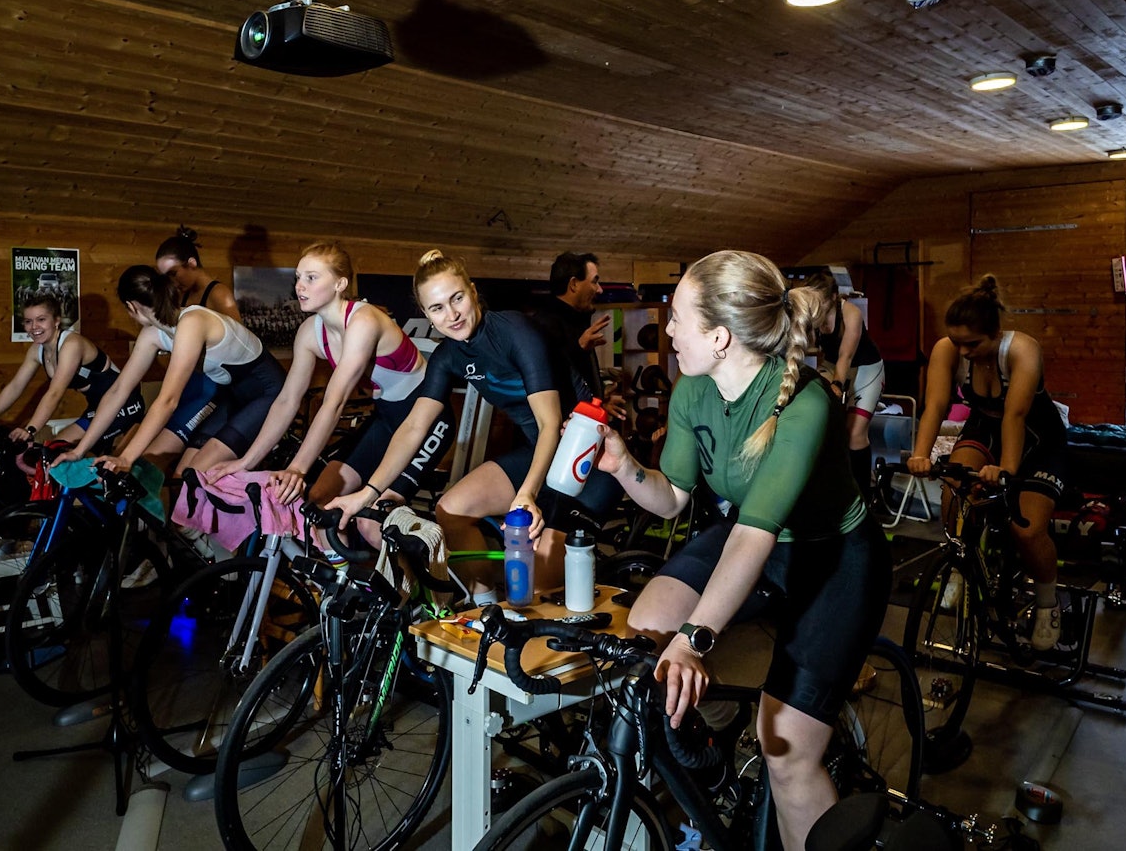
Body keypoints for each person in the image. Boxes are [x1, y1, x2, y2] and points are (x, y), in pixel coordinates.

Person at [598, 250, 891, 851]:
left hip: (833, 559)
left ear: (720, 337)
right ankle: (711, 740)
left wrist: (695, 638)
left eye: (677, 318)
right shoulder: (692, 389)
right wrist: (625, 466)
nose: (668, 330)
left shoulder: (807, 402)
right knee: (648, 626)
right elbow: (672, 498)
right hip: (752, 540)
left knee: (785, 750)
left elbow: (755, 533)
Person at [329, 249, 621, 599]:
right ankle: (484, 606)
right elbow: (414, 427)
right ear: (426, 314)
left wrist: (526, 494)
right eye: (437, 308)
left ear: (472, 290)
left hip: (585, 464)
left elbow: (549, 423)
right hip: (538, 455)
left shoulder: (515, 332)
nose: (452, 315)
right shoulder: (448, 356)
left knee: (537, 593)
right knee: (450, 510)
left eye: (457, 298)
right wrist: (368, 493)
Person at [205, 242, 453, 538]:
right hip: (387, 419)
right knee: (319, 501)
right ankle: (350, 570)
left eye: (311, 278)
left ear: (340, 284)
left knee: (373, 523)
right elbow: (286, 401)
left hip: (427, 420)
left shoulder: (363, 320)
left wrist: (297, 469)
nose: (300, 286)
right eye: (298, 277)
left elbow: (333, 403)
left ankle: (417, 569)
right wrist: (246, 461)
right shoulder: (310, 332)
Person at [908, 274, 1067, 651]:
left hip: (1037, 438)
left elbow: (1015, 415)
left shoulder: (1022, 350)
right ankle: (963, 566)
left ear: (995, 333)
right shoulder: (948, 350)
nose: (963, 351)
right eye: (957, 342)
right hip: (985, 430)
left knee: (1026, 530)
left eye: (972, 343)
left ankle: (1048, 603)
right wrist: (920, 455)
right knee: (954, 492)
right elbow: (935, 405)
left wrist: (1006, 471)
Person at [56, 266, 285, 476]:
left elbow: (168, 401)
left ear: (131, 306)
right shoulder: (152, 334)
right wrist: (79, 450)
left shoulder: (192, 321)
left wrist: (126, 458)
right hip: (232, 396)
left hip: (268, 393)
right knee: (183, 475)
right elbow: (118, 391)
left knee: (198, 474)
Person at [0, 293, 144, 450]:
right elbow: (15, 387)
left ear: (57, 321)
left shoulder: (72, 344)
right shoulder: (37, 350)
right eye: (28, 321)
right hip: (98, 408)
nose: (34, 327)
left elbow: (54, 393)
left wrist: (31, 429)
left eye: (41, 319)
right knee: (55, 449)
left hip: (124, 404)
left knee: (65, 452)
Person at [805, 273, 884, 503]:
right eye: (812, 303)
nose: (816, 309)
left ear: (834, 297)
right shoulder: (810, 313)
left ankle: (863, 498)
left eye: (821, 303)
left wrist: (837, 384)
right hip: (832, 364)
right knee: (815, 418)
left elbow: (845, 356)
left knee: (854, 434)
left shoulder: (851, 313)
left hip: (866, 367)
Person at [528, 251, 627, 420]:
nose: (600, 289)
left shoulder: (578, 320)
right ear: (574, 284)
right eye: (594, 281)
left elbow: (578, 380)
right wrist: (578, 348)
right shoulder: (544, 323)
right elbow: (546, 377)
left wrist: (599, 401)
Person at [155, 225, 242, 321]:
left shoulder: (219, 294)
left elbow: (238, 330)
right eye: (167, 277)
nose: (172, 282)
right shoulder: (181, 295)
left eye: (173, 273)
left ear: (191, 263)